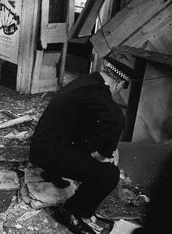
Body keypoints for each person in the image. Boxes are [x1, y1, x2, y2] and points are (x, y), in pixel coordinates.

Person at [29, 54, 136, 234]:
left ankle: (52, 172)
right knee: (109, 175)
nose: (116, 93)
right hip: (48, 152)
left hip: (44, 145)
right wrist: (105, 154)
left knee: (81, 144)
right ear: (118, 84)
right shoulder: (103, 98)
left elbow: (85, 121)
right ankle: (70, 211)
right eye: (118, 90)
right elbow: (117, 120)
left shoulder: (87, 82)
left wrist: (100, 148)